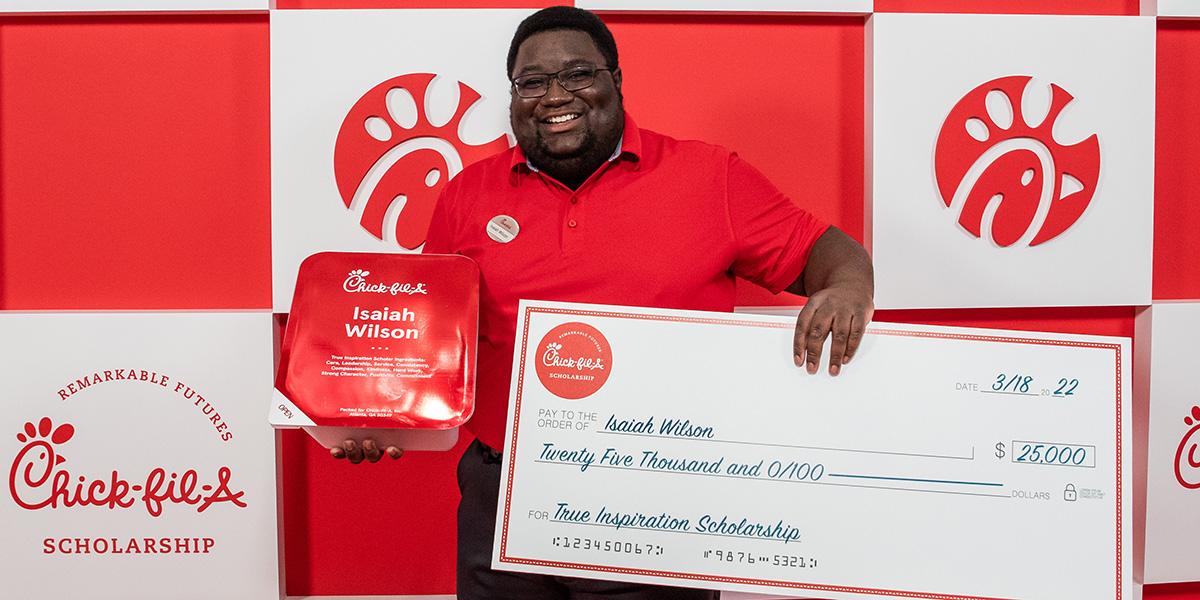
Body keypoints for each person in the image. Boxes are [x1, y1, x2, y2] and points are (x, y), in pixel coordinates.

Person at [332, 6, 874, 599]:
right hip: (504, 487)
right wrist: (376, 413)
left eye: (578, 74)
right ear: (513, 97)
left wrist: (847, 288)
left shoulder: (709, 177)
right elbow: (422, 335)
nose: (553, 96)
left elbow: (827, 251)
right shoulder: (467, 193)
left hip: (657, 487)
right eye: (531, 82)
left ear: (616, 80)